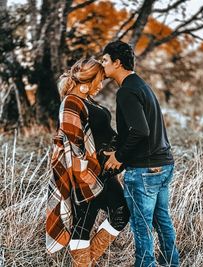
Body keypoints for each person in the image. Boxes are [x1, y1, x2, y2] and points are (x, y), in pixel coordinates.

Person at [102, 41, 180, 267]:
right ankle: (171, 263)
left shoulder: (126, 91)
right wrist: (118, 149)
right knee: (162, 220)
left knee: (141, 225)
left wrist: (119, 157)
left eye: (105, 60)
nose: (102, 64)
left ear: (117, 63)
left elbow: (140, 131)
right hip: (163, 166)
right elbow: (139, 130)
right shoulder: (141, 86)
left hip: (145, 171)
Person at [46, 58, 129, 267]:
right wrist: (85, 177)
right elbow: (72, 145)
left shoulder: (86, 99)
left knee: (121, 212)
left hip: (101, 171)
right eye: (99, 81)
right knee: (83, 225)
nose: (101, 86)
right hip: (85, 174)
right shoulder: (72, 102)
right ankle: (83, 264)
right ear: (87, 80)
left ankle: (86, 262)